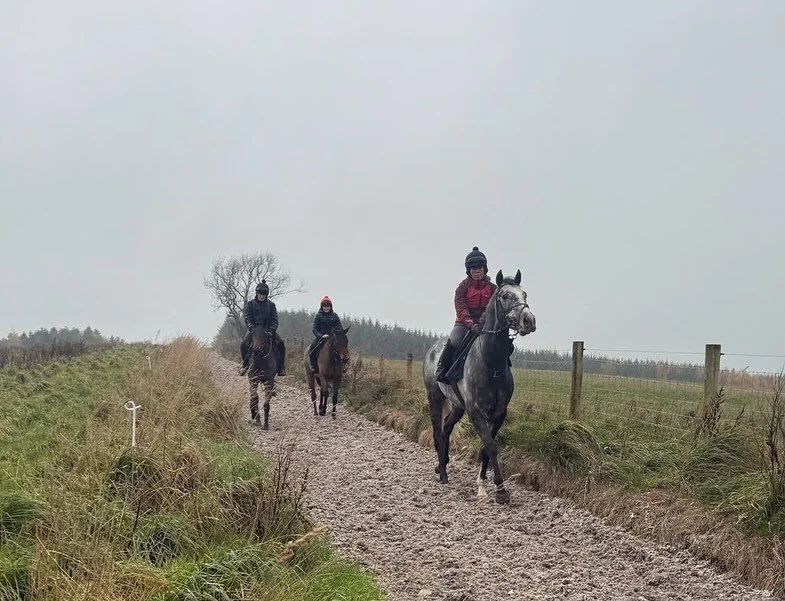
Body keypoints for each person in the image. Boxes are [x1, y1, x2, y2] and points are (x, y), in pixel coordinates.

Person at [435, 246, 497, 383]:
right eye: (473, 269)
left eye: (479, 268)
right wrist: (471, 324)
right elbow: (461, 309)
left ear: (484, 269)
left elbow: (495, 309)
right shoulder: (462, 288)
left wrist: (485, 323)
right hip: (464, 324)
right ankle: (442, 368)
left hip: (485, 324)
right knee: (454, 340)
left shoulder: (493, 288)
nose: (476, 271)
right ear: (469, 271)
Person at [239, 280, 286, 376]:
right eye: (260, 293)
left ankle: (281, 367)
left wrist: (271, 331)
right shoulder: (250, 304)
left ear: (266, 294)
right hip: (254, 331)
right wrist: (251, 328)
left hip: (268, 331)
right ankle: (245, 365)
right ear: (257, 293)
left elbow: (274, 320)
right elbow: (247, 317)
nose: (262, 296)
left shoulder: (271, 305)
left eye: (264, 294)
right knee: (243, 344)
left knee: (281, 343)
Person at [308, 295, 343, 374]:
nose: (326, 307)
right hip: (321, 338)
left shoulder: (334, 316)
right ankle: (313, 366)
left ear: (330, 306)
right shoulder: (318, 316)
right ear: (322, 306)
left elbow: (339, 327)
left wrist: (335, 334)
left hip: (333, 338)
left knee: (343, 348)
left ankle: (343, 366)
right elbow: (314, 329)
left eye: (328, 305)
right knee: (312, 348)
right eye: (324, 305)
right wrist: (321, 336)